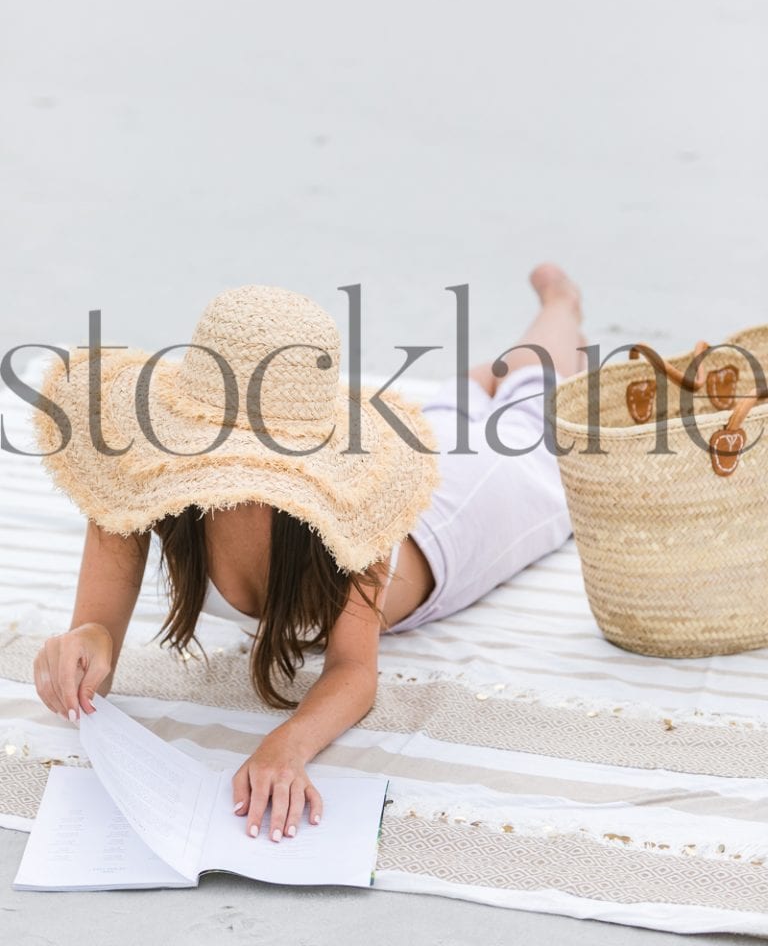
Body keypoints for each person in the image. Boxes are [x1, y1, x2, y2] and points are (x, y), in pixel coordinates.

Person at [31, 263, 584, 846]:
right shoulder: (141, 472)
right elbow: (97, 630)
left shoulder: (356, 501)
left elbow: (353, 670)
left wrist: (287, 745)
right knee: (462, 406)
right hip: (433, 460)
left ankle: (561, 306)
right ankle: (482, 381)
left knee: (532, 412)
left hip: (461, 517)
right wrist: (87, 642)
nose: (228, 470)